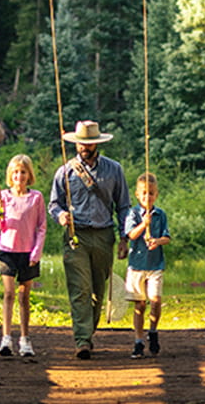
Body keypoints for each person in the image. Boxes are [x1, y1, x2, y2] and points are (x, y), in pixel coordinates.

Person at [49, 120, 130, 359]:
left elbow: (123, 206)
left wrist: (124, 238)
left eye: (88, 143)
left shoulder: (114, 170)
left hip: (104, 236)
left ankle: (88, 331)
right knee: (80, 289)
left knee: (97, 290)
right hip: (76, 236)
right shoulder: (65, 171)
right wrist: (61, 215)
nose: (84, 147)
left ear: (97, 143)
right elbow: (54, 204)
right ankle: (82, 340)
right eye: (80, 143)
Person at [0, 154, 46, 357]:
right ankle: (6, 338)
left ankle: (25, 339)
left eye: (22, 172)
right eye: (15, 172)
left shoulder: (36, 197)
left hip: (28, 252)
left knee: (24, 296)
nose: (18, 176)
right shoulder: (3, 196)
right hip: (7, 250)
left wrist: (37, 251)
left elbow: (41, 227)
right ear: (9, 175)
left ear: (28, 175)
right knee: (9, 293)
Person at [124, 172, 171, 358]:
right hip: (136, 265)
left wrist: (157, 241)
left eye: (151, 193)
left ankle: (153, 331)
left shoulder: (161, 215)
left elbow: (167, 237)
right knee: (139, 304)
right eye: (143, 193)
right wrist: (144, 224)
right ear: (137, 194)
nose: (147, 197)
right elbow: (131, 235)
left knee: (155, 299)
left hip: (155, 265)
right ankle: (138, 340)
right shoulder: (133, 213)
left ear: (156, 194)